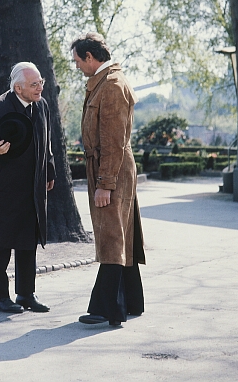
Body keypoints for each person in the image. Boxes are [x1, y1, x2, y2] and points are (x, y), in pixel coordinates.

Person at [0, 62, 56, 313]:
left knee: (28, 242)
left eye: (41, 83)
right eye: (34, 84)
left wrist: (49, 170)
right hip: (1, 191)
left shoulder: (42, 106)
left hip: (31, 189)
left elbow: (46, 141)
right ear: (18, 88)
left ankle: (26, 294)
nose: (40, 88)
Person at [71, 32, 145, 326]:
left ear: (90, 57)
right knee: (120, 233)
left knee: (112, 236)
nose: (76, 66)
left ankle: (106, 309)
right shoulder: (106, 82)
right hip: (108, 167)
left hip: (109, 168)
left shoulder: (111, 86)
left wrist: (105, 184)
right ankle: (132, 302)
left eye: (78, 60)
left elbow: (113, 141)